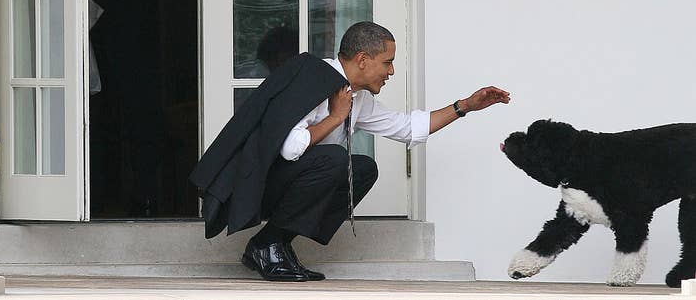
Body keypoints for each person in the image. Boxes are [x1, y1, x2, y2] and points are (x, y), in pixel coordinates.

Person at [190, 21, 510, 282]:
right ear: (362, 60)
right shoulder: (312, 79)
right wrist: (335, 118)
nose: (391, 71)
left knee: (364, 168)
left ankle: (271, 243)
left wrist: (465, 106)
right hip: (254, 187)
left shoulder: (357, 97)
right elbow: (289, 149)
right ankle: (268, 244)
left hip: (288, 183)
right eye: (387, 62)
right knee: (334, 159)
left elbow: (407, 127)